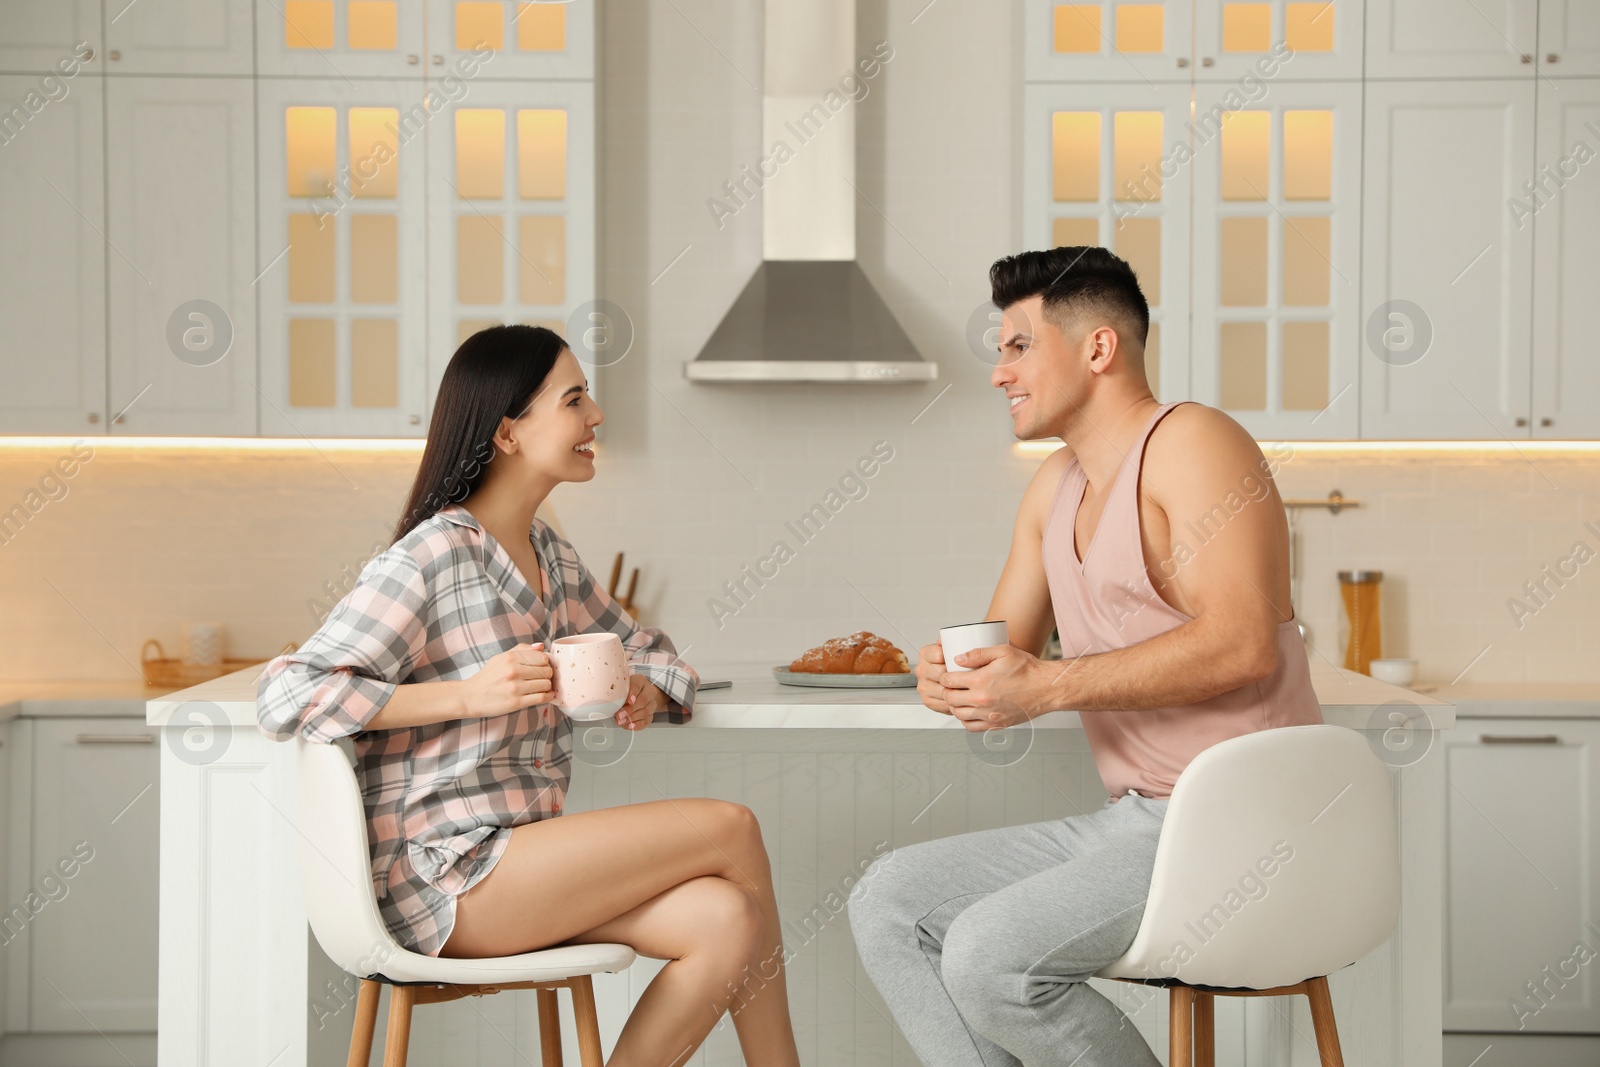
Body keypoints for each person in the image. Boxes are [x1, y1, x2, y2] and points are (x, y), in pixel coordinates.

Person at [257, 325, 801, 1067]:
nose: (597, 416)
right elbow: (288, 690)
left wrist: (643, 686)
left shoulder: (549, 555)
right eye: (575, 399)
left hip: (520, 865)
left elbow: (655, 653)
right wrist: (463, 696)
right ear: (509, 432)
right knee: (731, 826)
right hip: (444, 875)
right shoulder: (434, 554)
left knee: (727, 916)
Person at [847, 247, 1321, 1066]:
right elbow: (1007, 654)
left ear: (1098, 349)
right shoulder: (1052, 489)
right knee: (887, 900)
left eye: (1018, 346)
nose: (999, 373)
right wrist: (955, 679)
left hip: (1243, 824)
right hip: (1134, 822)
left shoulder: (1195, 442)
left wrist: (1047, 686)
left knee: (986, 953)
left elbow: (1241, 644)